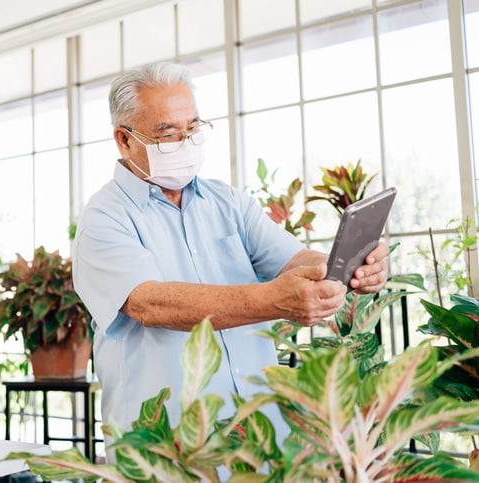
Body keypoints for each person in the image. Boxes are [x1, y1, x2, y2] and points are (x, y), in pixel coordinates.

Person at [72, 62, 389, 447]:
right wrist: (274, 300)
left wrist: (350, 264)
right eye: (168, 134)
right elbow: (150, 305)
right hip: (169, 448)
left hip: (260, 436)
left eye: (193, 128)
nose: (186, 143)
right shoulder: (104, 218)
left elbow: (294, 260)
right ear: (124, 140)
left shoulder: (228, 202)